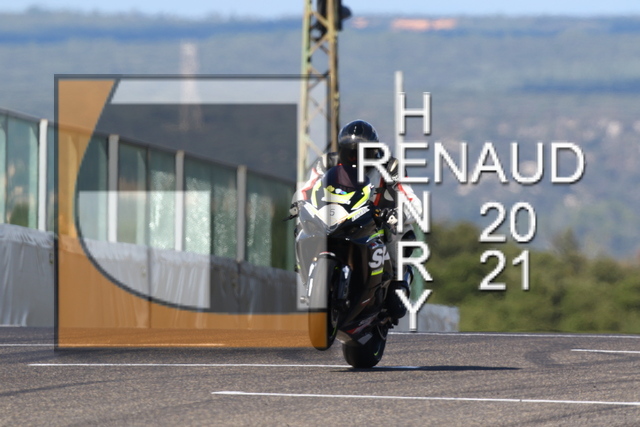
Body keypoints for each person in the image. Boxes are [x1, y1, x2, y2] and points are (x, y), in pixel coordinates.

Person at [291, 119, 423, 323]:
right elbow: (308, 187)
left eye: (362, 153)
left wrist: (398, 214)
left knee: (398, 233)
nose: (355, 158)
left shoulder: (391, 166)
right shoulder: (327, 163)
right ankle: (306, 273)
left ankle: (398, 281)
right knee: (302, 225)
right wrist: (298, 203)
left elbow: (411, 199)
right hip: (336, 214)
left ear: (374, 151)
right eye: (350, 153)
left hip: (377, 220)